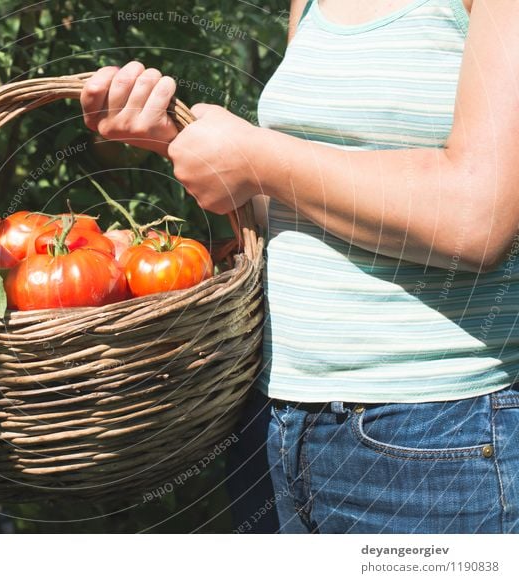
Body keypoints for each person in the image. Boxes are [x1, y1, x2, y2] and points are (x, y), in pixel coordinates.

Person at [80, 0, 519, 533]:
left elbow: (479, 218)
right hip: (275, 416)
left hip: (432, 432)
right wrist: (178, 143)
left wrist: (256, 156)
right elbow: (303, 197)